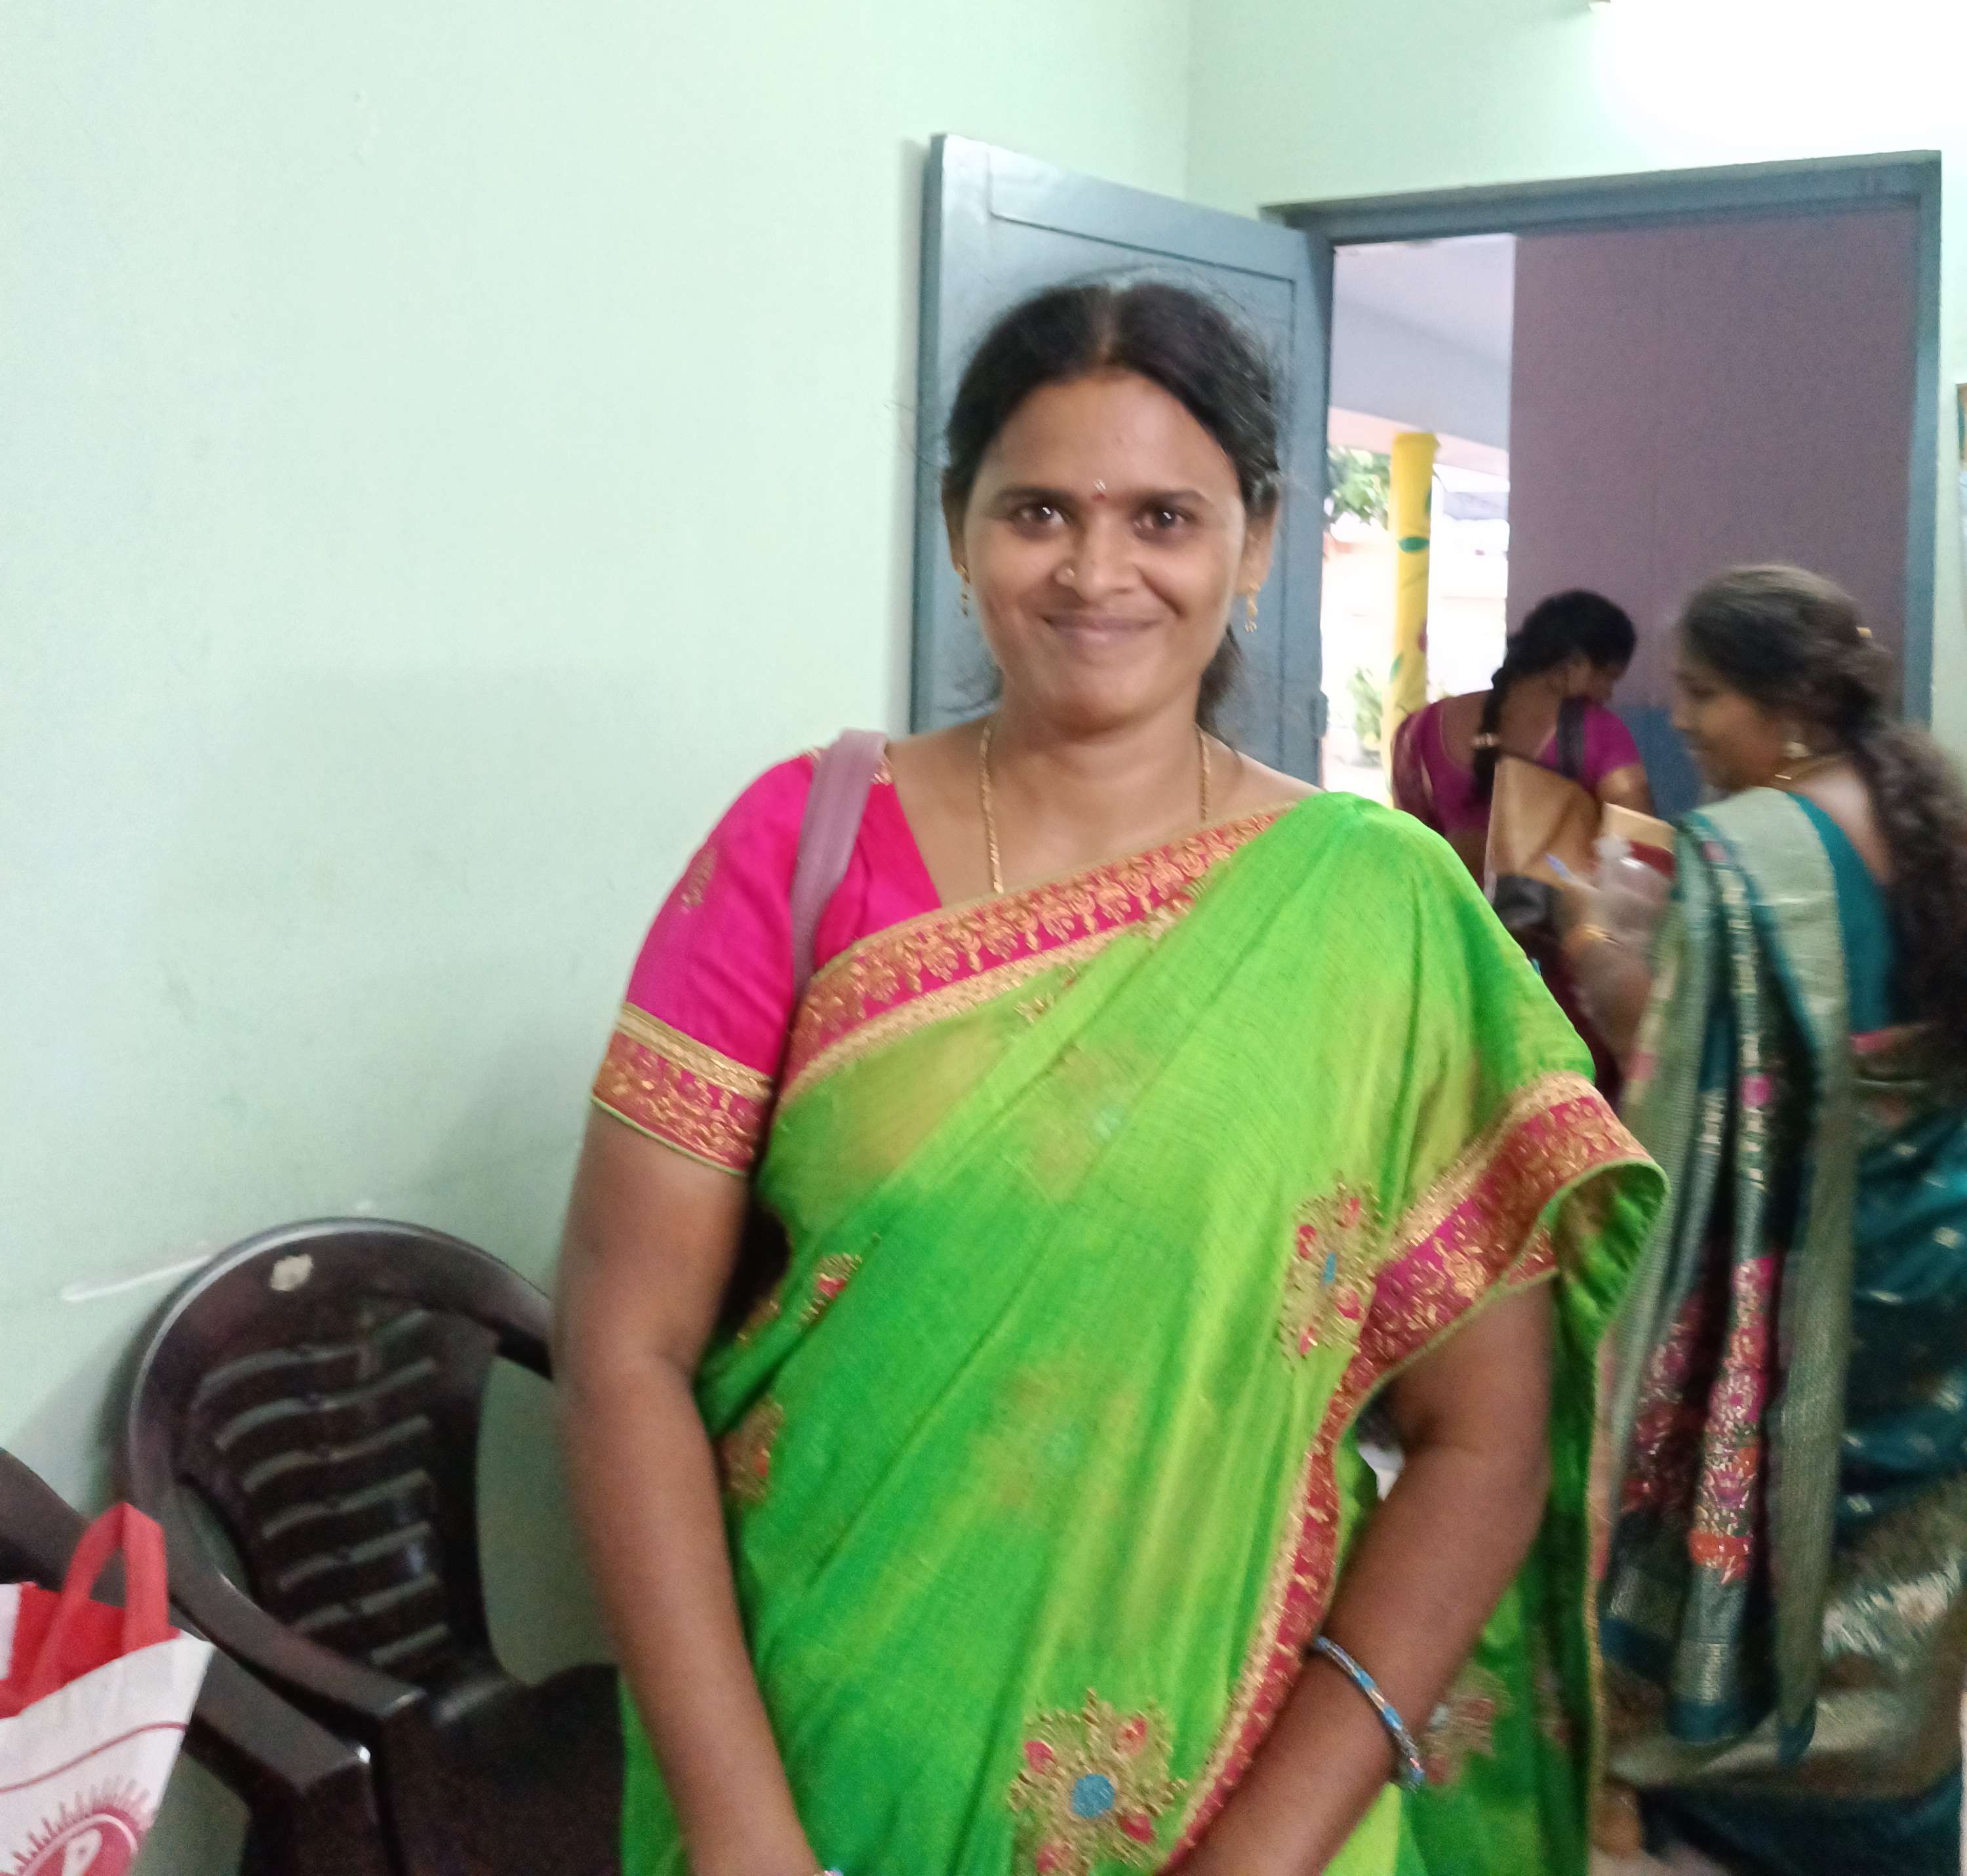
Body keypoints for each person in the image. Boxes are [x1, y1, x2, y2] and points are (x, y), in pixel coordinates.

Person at [555, 279, 1660, 1876]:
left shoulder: (1380, 911)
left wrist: (1262, 1854)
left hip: (1247, 1791)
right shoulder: (797, 847)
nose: (1095, 571)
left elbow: (1482, 1443)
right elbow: (623, 1342)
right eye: (1037, 511)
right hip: (816, 1763)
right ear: (958, 525)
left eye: (1162, 516)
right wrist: (739, 1830)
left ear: (1255, 540)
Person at [1560, 564, 1967, 1876]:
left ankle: (1744, 1803)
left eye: (1704, 694)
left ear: (1786, 702)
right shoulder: (1930, 814)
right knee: (1907, 1583)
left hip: (1804, 1292)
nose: (1682, 720)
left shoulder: (1752, 856)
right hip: (1936, 1273)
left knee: (1765, 1543)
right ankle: (1895, 1806)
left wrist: (1599, 946)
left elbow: (1686, 1073)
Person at [1389, 589, 1653, 884]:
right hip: (1552, 913)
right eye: (1609, 677)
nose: (1609, 693)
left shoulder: (1420, 728)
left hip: (1448, 908)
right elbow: (1639, 847)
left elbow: (1408, 850)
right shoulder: (1600, 731)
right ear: (1574, 664)